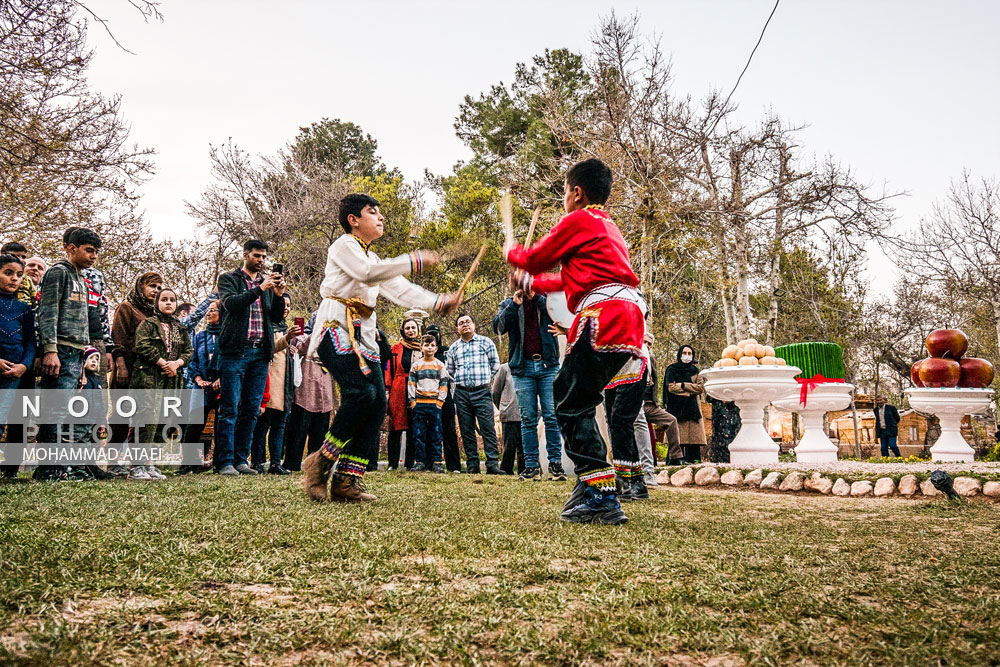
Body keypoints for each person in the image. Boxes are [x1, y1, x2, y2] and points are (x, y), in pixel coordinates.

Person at [505, 158, 646, 524]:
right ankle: (596, 486)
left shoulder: (580, 219)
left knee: (569, 400)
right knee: (577, 396)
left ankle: (599, 493)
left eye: (565, 192)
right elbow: (569, 280)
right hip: (624, 314)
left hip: (604, 315)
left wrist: (514, 256)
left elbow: (536, 258)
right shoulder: (607, 227)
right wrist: (528, 284)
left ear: (576, 192)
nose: (564, 199)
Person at [301, 193, 459, 503]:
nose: (380, 218)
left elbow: (399, 288)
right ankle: (320, 463)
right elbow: (366, 274)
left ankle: (347, 481)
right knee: (361, 395)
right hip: (336, 327)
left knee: (375, 404)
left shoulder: (372, 258)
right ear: (354, 220)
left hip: (364, 335)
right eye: (373, 212)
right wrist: (413, 260)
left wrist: (439, 301)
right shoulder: (344, 246)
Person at [34, 228, 102, 481]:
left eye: (96, 252)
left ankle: (64, 466)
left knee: (68, 410)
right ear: (70, 248)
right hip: (60, 350)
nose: (93, 256)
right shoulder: (58, 272)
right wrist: (50, 350)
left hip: (76, 351)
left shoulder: (81, 278)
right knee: (55, 409)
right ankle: (49, 468)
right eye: (88, 250)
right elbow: (47, 312)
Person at [215, 240, 287, 476]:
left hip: (259, 353)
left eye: (264, 257)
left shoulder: (266, 285)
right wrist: (261, 289)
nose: (261, 261)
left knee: (252, 408)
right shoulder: (229, 279)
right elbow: (232, 304)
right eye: (257, 256)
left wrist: (277, 295)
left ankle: (240, 460)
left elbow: (275, 318)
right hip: (235, 352)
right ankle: (224, 461)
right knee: (229, 408)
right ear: (245, 255)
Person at [493, 289, 563, 481]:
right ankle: (531, 466)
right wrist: (514, 305)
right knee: (528, 418)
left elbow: (560, 316)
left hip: (548, 365)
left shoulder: (547, 299)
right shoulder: (509, 303)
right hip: (522, 368)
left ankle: (555, 465)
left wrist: (537, 298)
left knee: (551, 414)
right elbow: (498, 327)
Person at [131, 287, 192, 480]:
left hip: (173, 378)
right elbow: (141, 345)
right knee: (147, 418)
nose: (168, 303)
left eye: (172, 300)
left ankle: (151, 463)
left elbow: (189, 351)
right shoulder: (148, 324)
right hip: (149, 377)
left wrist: (177, 363)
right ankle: (136, 466)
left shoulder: (180, 327)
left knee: (166, 419)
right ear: (157, 302)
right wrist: (162, 362)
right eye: (164, 299)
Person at [108, 271, 163, 476]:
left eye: (159, 287)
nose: (155, 291)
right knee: (121, 415)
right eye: (152, 286)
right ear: (141, 287)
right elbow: (118, 338)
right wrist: (121, 364)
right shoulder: (127, 308)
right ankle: (113, 462)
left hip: (147, 373)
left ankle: (137, 463)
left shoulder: (156, 315)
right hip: (127, 368)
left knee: (143, 417)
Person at [446, 314, 502, 474]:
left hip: (482, 391)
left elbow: (495, 364)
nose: (465, 325)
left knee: (488, 428)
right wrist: (458, 380)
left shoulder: (486, 342)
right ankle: (472, 465)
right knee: (466, 429)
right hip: (462, 394)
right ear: (457, 329)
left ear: (474, 325)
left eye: (468, 322)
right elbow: (449, 370)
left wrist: (487, 379)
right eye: (461, 323)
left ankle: (492, 464)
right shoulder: (454, 348)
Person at [250, 293, 299, 474]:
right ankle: (257, 461)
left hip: (284, 385)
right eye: (282, 304)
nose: (285, 308)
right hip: (268, 382)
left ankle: (276, 463)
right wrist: (286, 339)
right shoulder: (265, 325)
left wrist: (291, 348)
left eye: (288, 305)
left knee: (279, 426)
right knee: (262, 426)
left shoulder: (285, 327)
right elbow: (269, 347)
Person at [282, 312, 336, 472]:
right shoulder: (301, 336)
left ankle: (315, 465)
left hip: (324, 388)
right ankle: (291, 463)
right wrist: (317, 333)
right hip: (305, 388)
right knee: (298, 428)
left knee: (320, 429)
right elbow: (299, 347)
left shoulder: (332, 340)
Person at [0, 254, 35, 478]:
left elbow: (31, 341)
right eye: (8, 273)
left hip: (15, 373)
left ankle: (11, 470)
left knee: (5, 418)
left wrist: (24, 365)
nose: (14, 279)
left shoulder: (24, 309)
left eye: (19, 275)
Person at [180, 299, 222, 475]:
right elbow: (193, 360)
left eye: (213, 310)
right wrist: (198, 379)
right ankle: (188, 464)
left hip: (222, 387)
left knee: (221, 426)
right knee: (193, 425)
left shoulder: (227, 335)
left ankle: (220, 463)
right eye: (208, 310)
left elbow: (232, 361)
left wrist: (222, 379)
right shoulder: (199, 337)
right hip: (201, 387)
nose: (208, 313)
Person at [407, 333, 450, 472]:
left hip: (435, 405)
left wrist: (440, 401)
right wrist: (412, 401)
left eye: (432, 345)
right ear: (421, 347)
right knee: (419, 434)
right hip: (419, 404)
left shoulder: (440, 365)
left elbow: (444, 384)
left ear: (436, 348)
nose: (429, 348)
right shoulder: (416, 365)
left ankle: (437, 462)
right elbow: (411, 384)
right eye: (426, 345)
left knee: (436, 434)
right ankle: (420, 461)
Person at [425, 324, 463, 472]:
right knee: (429, 429)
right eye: (429, 334)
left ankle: (454, 465)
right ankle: (430, 463)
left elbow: (452, 371)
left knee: (449, 429)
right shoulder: (423, 353)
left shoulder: (447, 351)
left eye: (435, 334)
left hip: (445, 395)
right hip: (427, 395)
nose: (433, 336)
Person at [385, 318, 421, 469]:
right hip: (398, 388)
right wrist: (387, 389)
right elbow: (388, 369)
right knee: (395, 427)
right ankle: (392, 463)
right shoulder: (395, 349)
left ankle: (409, 463)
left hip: (416, 389)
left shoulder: (422, 348)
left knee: (413, 426)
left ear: (418, 330)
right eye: (408, 328)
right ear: (403, 330)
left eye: (413, 327)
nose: (411, 330)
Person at [642, 333, 683, 466]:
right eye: (645, 342)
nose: (647, 346)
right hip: (635, 405)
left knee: (671, 421)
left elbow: (656, 379)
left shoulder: (651, 359)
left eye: (649, 344)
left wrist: (656, 402)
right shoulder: (632, 357)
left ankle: (675, 457)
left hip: (651, 405)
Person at [664, 344, 707, 464]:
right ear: (679, 354)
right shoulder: (672, 369)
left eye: (689, 354)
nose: (687, 356)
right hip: (676, 407)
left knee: (693, 438)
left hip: (693, 409)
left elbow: (700, 388)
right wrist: (689, 392)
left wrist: (683, 385)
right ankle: (675, 461)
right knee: (677, 436)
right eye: (684, 353)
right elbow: (671, 387)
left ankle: (694, 461)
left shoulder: (695, 371)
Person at [492, 362, 525, 476]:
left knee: (524, 446)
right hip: (509, 413)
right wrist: (503, 406)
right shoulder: (504, 369)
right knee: (509, 446)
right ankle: (506, 469)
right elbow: (496, 392)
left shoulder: (531, 366)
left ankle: (524, 469)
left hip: (527, 414)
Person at [1, 242, 36, 307]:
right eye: (16, 256)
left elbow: (34, 296)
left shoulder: (27, 279)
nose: (21, 259)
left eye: (24, 257)